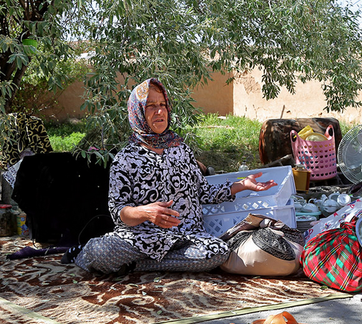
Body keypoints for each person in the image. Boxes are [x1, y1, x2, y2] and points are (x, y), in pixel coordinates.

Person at [62, 78, 277, 275]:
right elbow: (118, 212)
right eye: (151, 106)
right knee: (102, 251)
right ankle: (99, 255)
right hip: (141, 239)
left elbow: (202, 191)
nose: (159, 112)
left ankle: (137, 266)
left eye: (162, 105)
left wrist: (241, 185)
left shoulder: (181, 150)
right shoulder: (125, 159)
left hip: (187, 237)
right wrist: (145, 212)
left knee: (218, 252)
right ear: (138, 112)